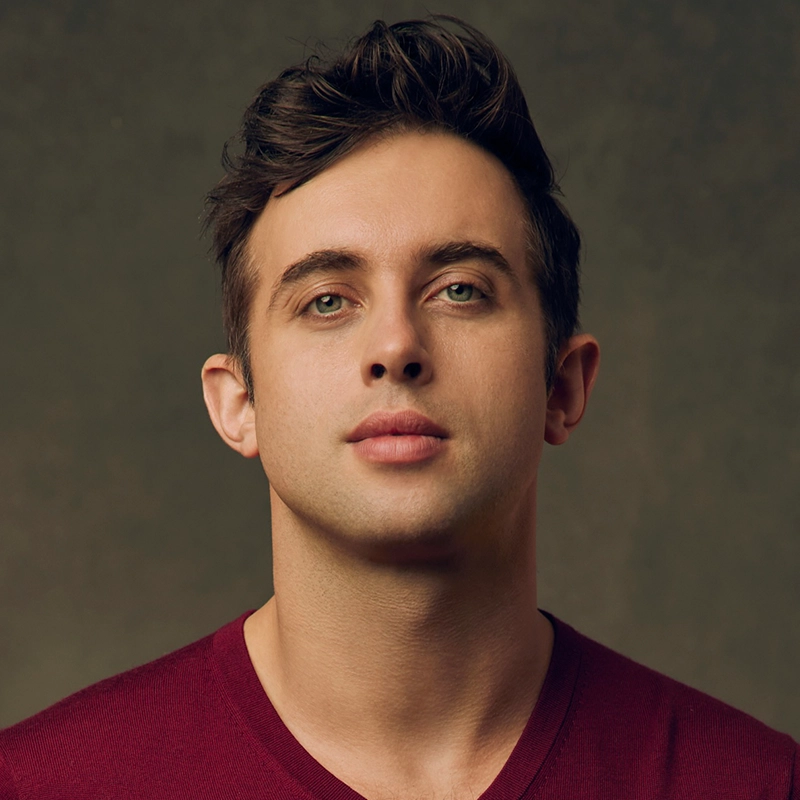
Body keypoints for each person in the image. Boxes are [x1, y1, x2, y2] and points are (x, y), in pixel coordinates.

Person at [1, 15, 797, 800]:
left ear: (563, 387)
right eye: (325, 301)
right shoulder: (38, 785)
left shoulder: (756, 784)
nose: (395, 345)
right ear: (238, 404)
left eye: (459, 290)